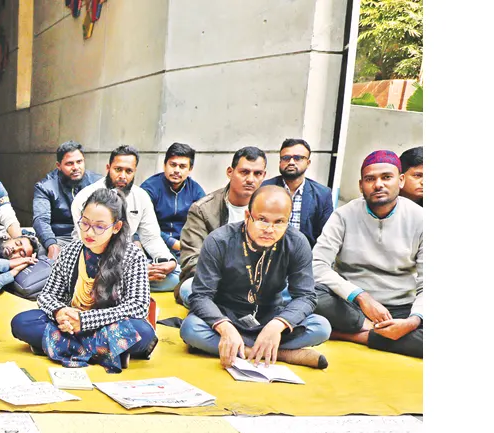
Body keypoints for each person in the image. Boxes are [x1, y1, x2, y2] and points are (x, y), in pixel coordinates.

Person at [179, 185, 332, 369]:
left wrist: (277, 325)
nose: (269, 229)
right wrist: (225, 328)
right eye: (262, 220)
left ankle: (241, 349)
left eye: (279, 222)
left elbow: (306, 296)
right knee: (190, 328)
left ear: (288, 221)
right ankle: (280, 354)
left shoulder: (297, 243)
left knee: (321, 327)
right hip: (226, 313)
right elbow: (201, 296)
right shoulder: (219, 241)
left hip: (270, 316)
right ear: (247, 216)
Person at [10, 188, 156, 373]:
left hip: (108, 324)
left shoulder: (133, 255)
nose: (89, 232)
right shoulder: (70, 251)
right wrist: (60, 311)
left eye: (99, 227)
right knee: (21, 322)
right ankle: (107, 351)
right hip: (71, 324)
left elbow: (138, 306)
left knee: (143, 332)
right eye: (85, 223)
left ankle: (61, 346)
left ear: (116, 227)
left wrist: (85, 320)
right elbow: (47, 295)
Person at [312, 150, 423, 358]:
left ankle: (354, 335)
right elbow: (316, 265)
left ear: (400, 180)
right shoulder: (343, 215)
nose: (378, 184)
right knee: (310, 294)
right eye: (370, 179)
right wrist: (361, 297)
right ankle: (380, 333)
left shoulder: (421, 219)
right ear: (361, 185)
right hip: (351, 307)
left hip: (401, 309)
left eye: (386, 177)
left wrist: (412, 321)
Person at [71, 145, 179, 292]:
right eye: (118, 169)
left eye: (128, 171)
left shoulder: (141, 197)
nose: (122, 176)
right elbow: (87, 243)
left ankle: (126, 284)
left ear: (135, 172)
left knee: (176, 277)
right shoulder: (85, 197)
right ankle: (130, 283)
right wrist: (133, 270)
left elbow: (151, 238)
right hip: (93, 260)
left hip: (127, 257)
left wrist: (168, 260)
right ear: (108, 168)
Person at [176, 146, 268, 303]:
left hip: (258, 283)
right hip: (213, 282)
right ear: (230, 172)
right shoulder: (203, 209)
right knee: (189, 289)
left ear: (264, 176)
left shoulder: (270, 209)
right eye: (244, 172)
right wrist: (232, 281)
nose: (250, 179)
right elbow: (192, 260)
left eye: (257, 173)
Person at [32, 141, 102, 258]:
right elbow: (41, 220)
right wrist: (51, 244)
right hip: (61, 238)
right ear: (58, 165)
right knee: (43, 255)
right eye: (69, 163)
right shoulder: (45, 187)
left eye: (79, 162)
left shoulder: (98, 183)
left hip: (93, 235)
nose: (76, 167)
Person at [261, 138, 334, 248]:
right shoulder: (264, 189)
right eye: (286, 158)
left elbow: (325, 236)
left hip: (305, 253)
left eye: (298, 158)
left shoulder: (323, 194)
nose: (291, 162)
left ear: (308, 163)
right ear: (280, 162)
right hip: (268, 251)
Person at [139, 142, 205, 257]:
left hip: (187, 249)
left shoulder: (196, 190)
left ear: (190, 169)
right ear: (164, 165)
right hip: (153, 247)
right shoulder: (149, 188)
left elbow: (204, 224)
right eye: (173, 165)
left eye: (182, 166)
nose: (177, 170)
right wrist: (174, 243)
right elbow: (142, 226)